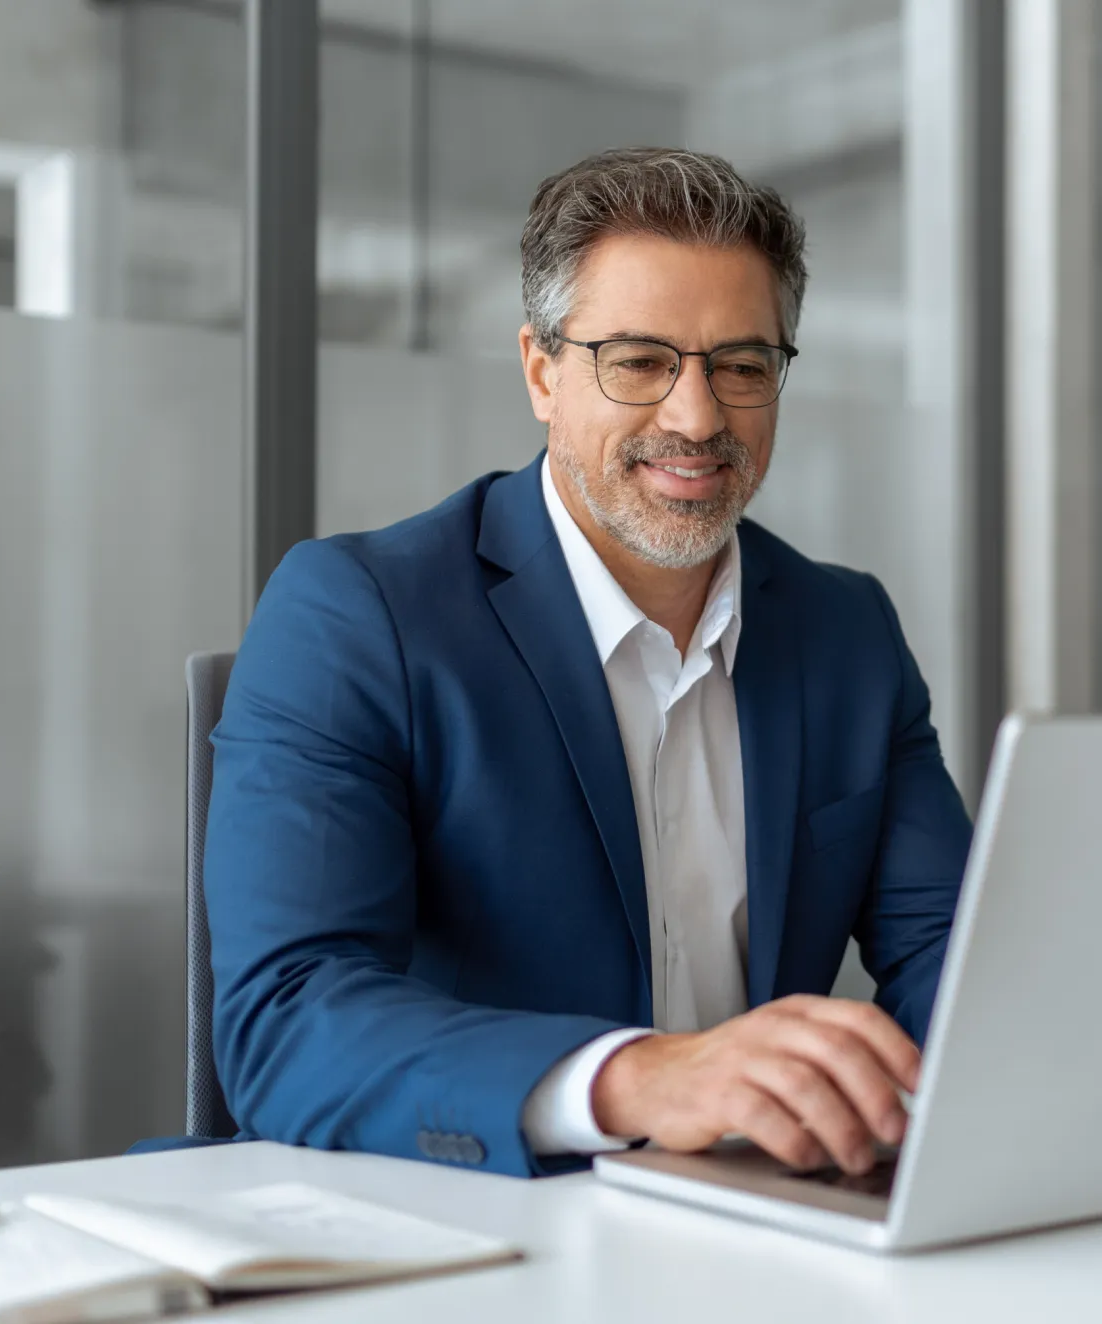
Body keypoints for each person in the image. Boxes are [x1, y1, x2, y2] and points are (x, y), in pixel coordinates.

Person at [204, 146, 973, 1181]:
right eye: (640, 360)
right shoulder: (357, 614)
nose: (698, 418)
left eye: (742, 365)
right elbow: (286, 1017)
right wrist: (642, 1078)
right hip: (463, 1219)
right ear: (541, 372)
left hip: (753, 1217)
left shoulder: (850, 633)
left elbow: (956, 967)